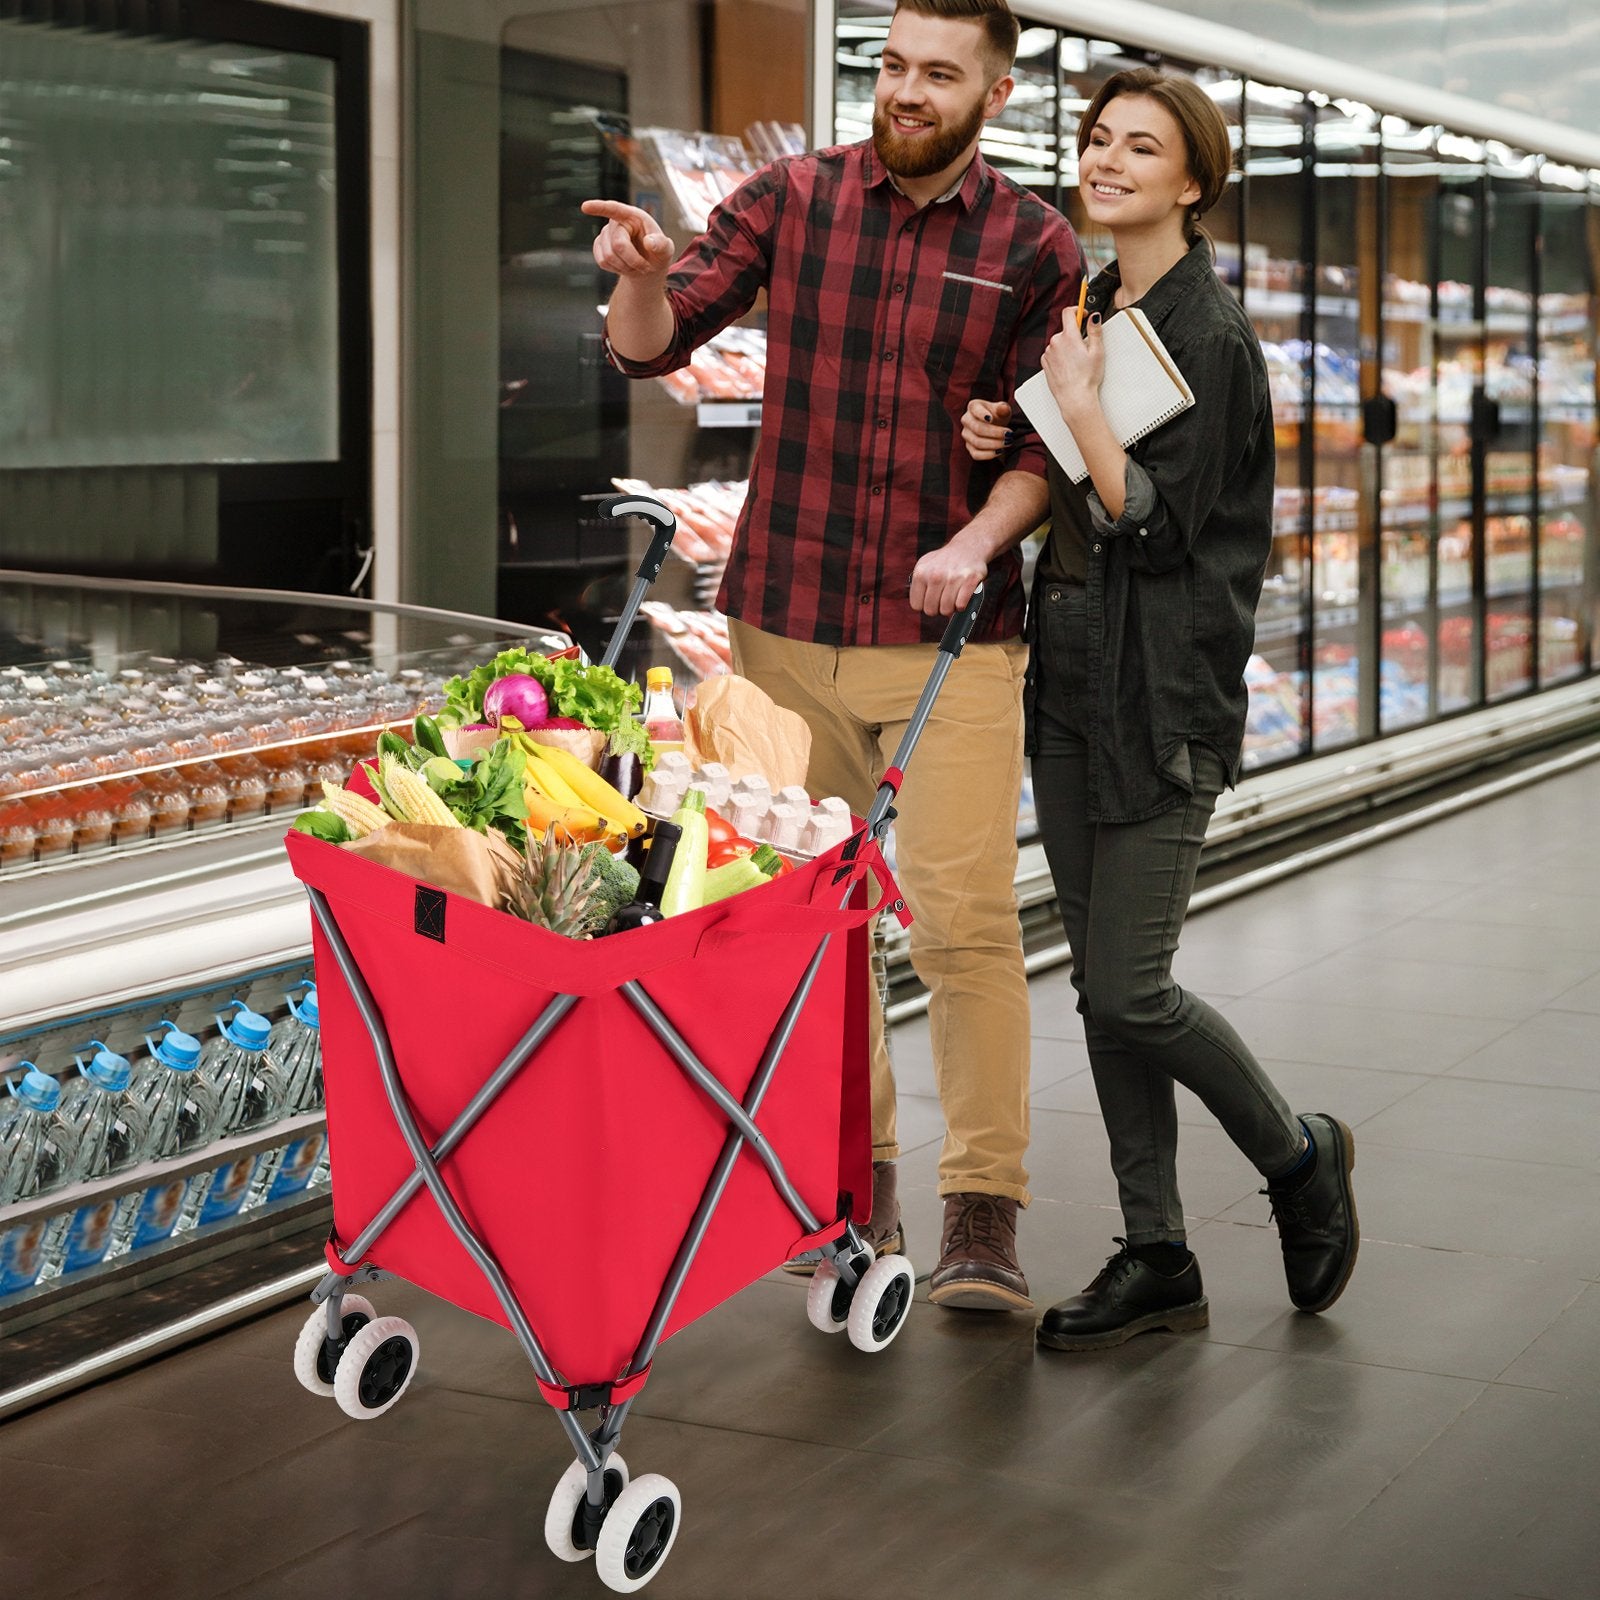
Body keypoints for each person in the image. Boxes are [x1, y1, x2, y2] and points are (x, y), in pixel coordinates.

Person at [583, 0, 1083, 1310]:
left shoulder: (1035, 243)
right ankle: (847, 1190)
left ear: (994, 89)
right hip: (783, 626)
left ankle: (986, 1214)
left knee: (967, 925)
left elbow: (1047, 446)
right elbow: (659, 337)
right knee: (814, 927)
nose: (907, 92)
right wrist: (642, 268)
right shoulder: (792, 198)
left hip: (954, 639)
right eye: (894, 67)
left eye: (938, 74)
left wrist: (979, 538)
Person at [961, 67, 1359, 1350]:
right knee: (1097, 987)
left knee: (1131, 988)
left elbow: (1154, 515)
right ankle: (1156, 1250)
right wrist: (1011, 433)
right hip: (1071, 677)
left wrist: (1074, 410)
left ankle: (1298, 1155)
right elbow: (1080, 484)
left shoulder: (1213, 334)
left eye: (1141, 146)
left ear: (1192, 181)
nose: (1107, 160)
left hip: (1162, 691)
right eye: (1094, 140)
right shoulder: (1092, 301)